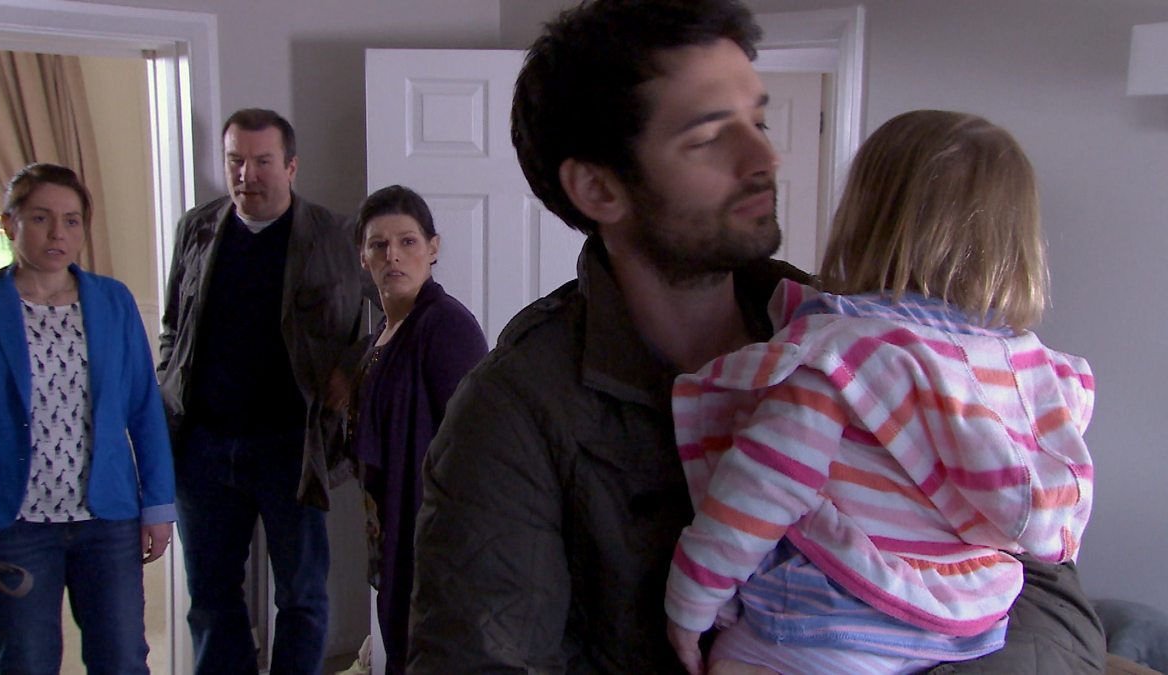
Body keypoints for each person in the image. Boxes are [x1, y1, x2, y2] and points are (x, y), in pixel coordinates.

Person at [408, 1, 1108, 673]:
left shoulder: (865, 337)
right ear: (599, 190)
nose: (764, 157)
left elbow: (1046, 598)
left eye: (759, 120)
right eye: (710, 136)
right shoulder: (511, 417)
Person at [664, 109, 1095, 675]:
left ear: (864, 220)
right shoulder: (1032, 377)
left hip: (826, 624)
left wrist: (692, 604)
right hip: (960, 627)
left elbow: (762, 486)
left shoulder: (841, 353)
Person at [157, 108, 362, 674]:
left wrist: (352, 369)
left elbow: (391, 311)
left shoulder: (336, 234)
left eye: (262, 161)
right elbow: (174, 325)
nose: (247, 174)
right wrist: (166, 386)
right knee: (211, 597)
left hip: (292, 449)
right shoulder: (197, 228)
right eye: (236, 161)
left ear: (291, 167)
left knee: (302, 595)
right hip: (204, 449)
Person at [0, 163, 176, 674]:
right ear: (11, 223)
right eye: (41, 218)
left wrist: (158, 503)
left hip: (107, 519)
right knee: (28, 660)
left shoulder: (112, 301)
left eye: (71, 220)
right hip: (14, 524)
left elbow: (143, 409)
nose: (57, 233)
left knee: (122, 658)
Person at [336, 185, 487, 674]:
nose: (393, 255)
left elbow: (475, 448)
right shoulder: (380, 338)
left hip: (435, 544)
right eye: (378, 245)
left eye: (407, 242)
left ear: (433, 248)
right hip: (391, 535)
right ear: (363, 257)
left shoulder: (446, 327)